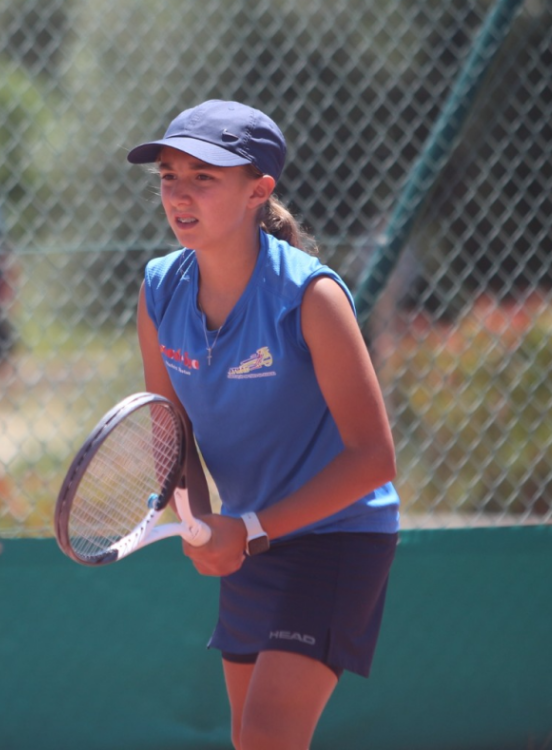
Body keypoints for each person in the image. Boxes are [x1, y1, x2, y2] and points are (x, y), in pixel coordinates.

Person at [128, 100, 401, 750]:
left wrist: (245, 529)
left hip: (337, 533)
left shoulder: (311, 297)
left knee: (270, 735)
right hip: (248, 538)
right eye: (169, 176)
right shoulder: (158, 290)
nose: (179, 194)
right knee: (250, 741)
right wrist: (200, 524)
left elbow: (373, 457)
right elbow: (171, 431)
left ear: (258, 191)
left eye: (204, 177)